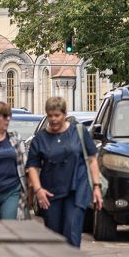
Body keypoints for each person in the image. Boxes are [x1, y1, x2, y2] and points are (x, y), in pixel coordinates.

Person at [26, 96, 103, 247]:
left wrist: (96, 187)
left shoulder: (78, 132)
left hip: (77, 190)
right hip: (51, 193)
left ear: (64, 114)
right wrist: (38, 189)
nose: (53, 119)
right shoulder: (40, 139)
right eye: (50, 116)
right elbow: (33, 167)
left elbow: (92, 159)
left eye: (57, 115)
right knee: (54, 237)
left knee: (72, 232)